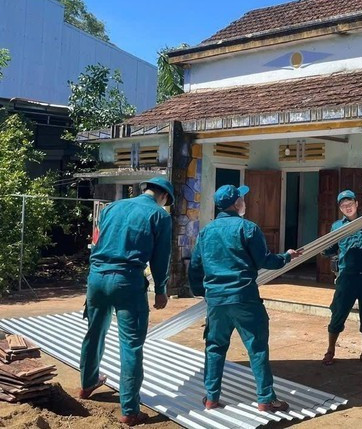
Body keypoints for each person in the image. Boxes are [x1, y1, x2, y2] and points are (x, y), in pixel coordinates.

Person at [188, 184, 303, 413]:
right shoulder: (248, 228)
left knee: (215, 348)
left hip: (217, 301)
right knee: (257, 348)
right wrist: (286, 257)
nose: (245, 202)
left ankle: (211, 398)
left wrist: (203, 293)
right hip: (244, 298)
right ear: (236, 203)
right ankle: (265, 400)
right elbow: (265, 261)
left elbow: (195, 267)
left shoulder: (206, 231)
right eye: (242, 198)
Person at [79, 177, 174, 427]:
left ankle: (87, 383)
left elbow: (98, 240)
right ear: (163, 196)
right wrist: (161, 290)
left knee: (94, 332)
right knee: (131, 345)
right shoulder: (160, 216)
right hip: (128, 282)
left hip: (97, 277)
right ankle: (130, 410)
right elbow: (161, 258)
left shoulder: (111, 207)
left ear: (146, 189)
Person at [321, 189, 362, 366]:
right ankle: (330, 351)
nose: (347, 208)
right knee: (338, 314)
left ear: (357, 204)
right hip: (346, 278)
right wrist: (321, 247)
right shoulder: (336, 227)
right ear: (340, 208)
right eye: (343, 205)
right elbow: (330, 249)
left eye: (350, 204)